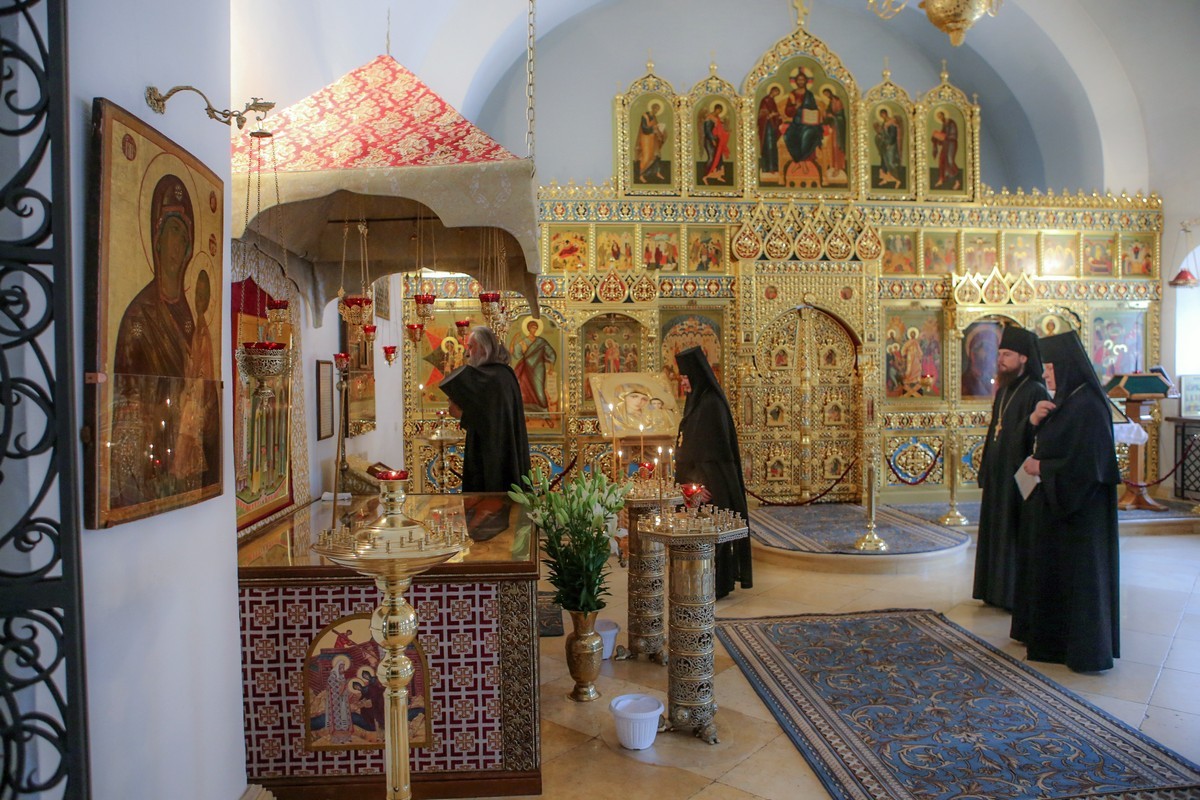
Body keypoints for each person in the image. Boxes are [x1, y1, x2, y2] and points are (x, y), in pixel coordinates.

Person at [1012, 331, 1121, 672]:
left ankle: (1083, 650)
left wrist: (1042, 467)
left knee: (1080, 583)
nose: (1046, 374)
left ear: (1066, 367)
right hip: (1060, 512)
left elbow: (1089, 467)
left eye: (1050, 368)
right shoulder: (1069, 400)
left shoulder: (1089, 406)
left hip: (1081, 517)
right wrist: (1038, 421)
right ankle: (1055, 643)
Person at [972, 326, 1048, 612]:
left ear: (1024, 358)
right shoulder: (1004, 389)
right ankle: (992, 590)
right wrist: (986, 469)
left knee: (1012, 532)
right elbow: (994, 430)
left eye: (1007, 354)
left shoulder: (1035, 391)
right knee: (995, 529)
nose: (1000, 359)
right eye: (1000, 353)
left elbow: (1037, 437)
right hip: (998, 473)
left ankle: (1010, 594)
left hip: (1018, 475)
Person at [673, 346, 752, 599]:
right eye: (682, 378)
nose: (683, 383)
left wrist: (702, 486)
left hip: (709, 487)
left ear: (696, 376)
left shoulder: (711, 404)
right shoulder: (696, 400)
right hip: (694, 486)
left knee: (712, 536)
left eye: (686, 378)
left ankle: (716, 585)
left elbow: (716, 455)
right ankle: (699, 583)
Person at [438, 326, 531, 492]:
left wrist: (462, 414)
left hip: (499, 453)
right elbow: (485, 415)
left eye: (471, 346)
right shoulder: (500, 375)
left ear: (484, 348)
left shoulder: (498, 377)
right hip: (484, 448)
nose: (468, 353)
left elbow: (492, 420)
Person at [510, 318, 557, 412]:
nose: (534, 329)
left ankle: (543, 410)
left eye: (536, 328)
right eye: (532, 327)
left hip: (539, 368)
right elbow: (513, 352)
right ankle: (527, 410)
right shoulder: (524, 341)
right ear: (528, 328)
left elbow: (551, 353)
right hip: (526, 368)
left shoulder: (541, 342)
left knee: (539, 390)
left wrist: (551, 366)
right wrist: (514, 339)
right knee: (525, 389)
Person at [700, 102, 730, 185]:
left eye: (720, 112)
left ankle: (718, 175)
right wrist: (712, 140)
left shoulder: (717, 118)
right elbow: (707, 131)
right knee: (711, 158)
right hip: (709, 141)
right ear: (716, 109)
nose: (719, 113)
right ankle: (705, 175)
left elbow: (718, 129)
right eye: (719, 111)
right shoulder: (709, 118)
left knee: (719, 158)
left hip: (716, 141)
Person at [636, 102, 667, 183]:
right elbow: (644, 128)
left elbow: (656, 127)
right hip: (646, 139)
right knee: (647, 157)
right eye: (656, 109)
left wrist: (660, 132)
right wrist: (653, 128)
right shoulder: (645, 116)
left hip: (653, 139)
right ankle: (641, 175)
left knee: (657, 155)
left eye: (658, 110)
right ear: (652, 108)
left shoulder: (654, 117)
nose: (656, 111)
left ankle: (657, 172)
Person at [931, 110, 960, 189]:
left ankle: (957, 181)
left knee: (950, 161)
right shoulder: (944, 124)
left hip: (951, 144)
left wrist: (943, 136)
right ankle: (941, 179)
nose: (940, 118)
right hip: (946, 144)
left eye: (940, 116)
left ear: (943, 115)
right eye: (938, 117)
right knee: (942, 160)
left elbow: (953, 135)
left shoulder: (951, 122)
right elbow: (942, 136)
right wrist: (937, 138)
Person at [757, 85, 783, 174]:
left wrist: (778, 116)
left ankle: (774, 167)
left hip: (772, 127)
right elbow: (762, 114)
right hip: (766, 127)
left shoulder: (772, 101)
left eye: (778, 93)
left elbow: (775, 112)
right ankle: (769, 167)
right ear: (772, 91)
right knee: (769, 146)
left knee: (773, 146)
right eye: (776, 92)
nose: (776, 94)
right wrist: (770, 115)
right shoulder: (765, 100)